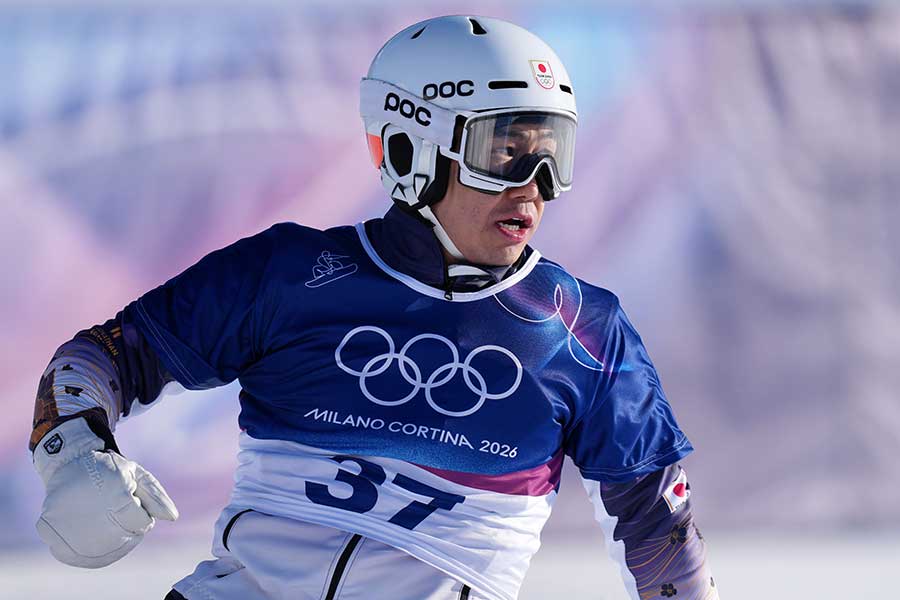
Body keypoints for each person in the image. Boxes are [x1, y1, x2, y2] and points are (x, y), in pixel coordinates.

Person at [30, 15, 718, 600]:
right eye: (503, 152)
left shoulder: (584, 330)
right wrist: (74, 454)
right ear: (407, 148)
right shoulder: (287, 274)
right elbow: (101, 358)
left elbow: (659, 526)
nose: (534, 187)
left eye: (552, 155)